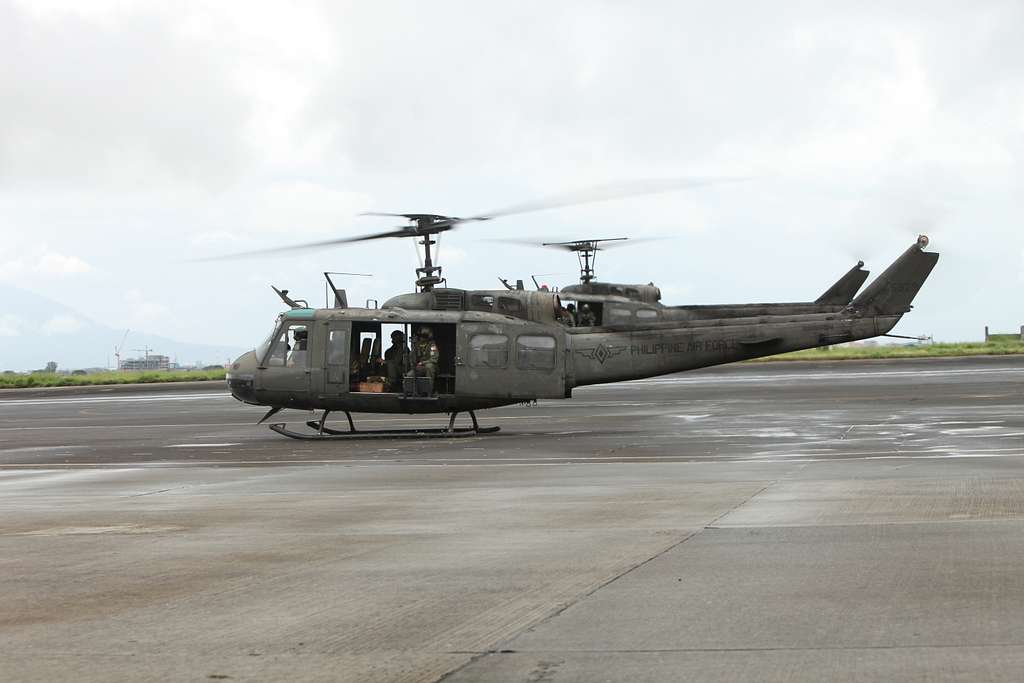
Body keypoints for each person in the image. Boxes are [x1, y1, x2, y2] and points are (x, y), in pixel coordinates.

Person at [406, 325, 440, 395]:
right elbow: (412, 359)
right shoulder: (416, 345)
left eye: (423, 336)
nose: (421, 337)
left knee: (429, 366)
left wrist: (422, 363)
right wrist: (413, 346)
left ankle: (429, 391)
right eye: (420, 336)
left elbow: (434, 359)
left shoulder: (432, 345)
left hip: (431, 367)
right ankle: (411, 391)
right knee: (409, 375)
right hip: (420, 367)